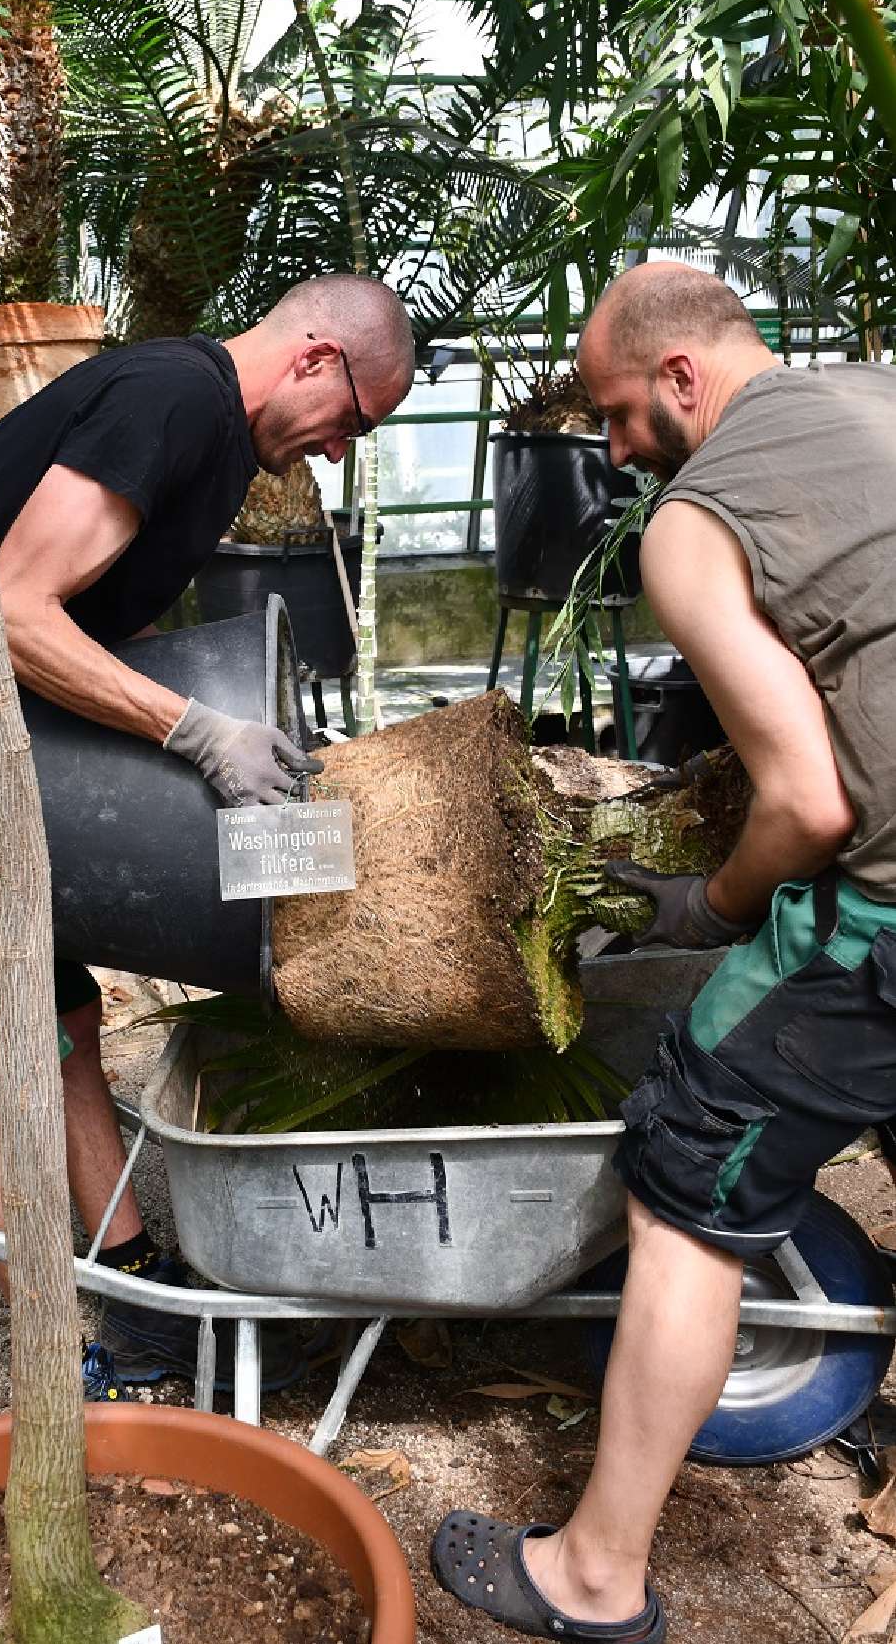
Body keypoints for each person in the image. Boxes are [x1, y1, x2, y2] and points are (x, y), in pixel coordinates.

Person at [0, 273, 415, 1389]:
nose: (337, 453)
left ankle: (132, 1280)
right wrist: (196, 732)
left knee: (62, 1012)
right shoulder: (173, 396)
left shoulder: (217, 438)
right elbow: (14, 609)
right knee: (2, 1063)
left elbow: (93, 614)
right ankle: (52, 1369)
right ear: (318, 356)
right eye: (352, 422)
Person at [431, 261, 896, 1641]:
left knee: (687, 1180)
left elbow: (810, 802)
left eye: (623, 415)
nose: (618, 449)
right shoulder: (876, 397)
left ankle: (592, 1575)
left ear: (683, 378)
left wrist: (716, 907)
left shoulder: (693, 524)